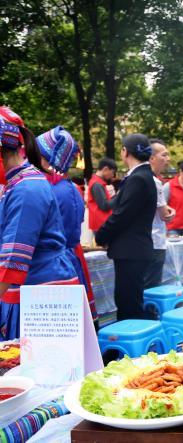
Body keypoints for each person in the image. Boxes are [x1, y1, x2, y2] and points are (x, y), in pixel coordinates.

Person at [0, 107, 79, 339]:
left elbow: (13, 259)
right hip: (31, 289)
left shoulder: (27, 188)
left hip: (42, 298)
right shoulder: (17, 184)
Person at [36, 126, 98, 325]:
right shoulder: (69, 187)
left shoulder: (48, 188)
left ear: (45, 157)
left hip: (52, 265)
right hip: (68, 258)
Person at [95, 134, 157, 320]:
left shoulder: (138, 178)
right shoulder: (142, 175)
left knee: (128, 304)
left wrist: (101, 235)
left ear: (125, 152)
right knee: (129, 300)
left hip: (131, 250)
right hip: (134, 249)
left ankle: (132, 338)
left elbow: (122, 215)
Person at [144, 139, 176, 289]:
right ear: (152, 158)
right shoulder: (155, 182)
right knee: (152, 286)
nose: (167, 159)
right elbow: (165, 215)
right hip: (155, 240)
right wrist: (172, 212)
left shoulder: (137, 178)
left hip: (141, 241)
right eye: (164, 155)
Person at [87, 157, 117, 234]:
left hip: (100, 223)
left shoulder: (97, 182)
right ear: (105, 169)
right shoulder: (97, 184)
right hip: (100, 224)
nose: (112, 176)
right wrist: (118, 197)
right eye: (112, 172)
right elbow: (104, 205)